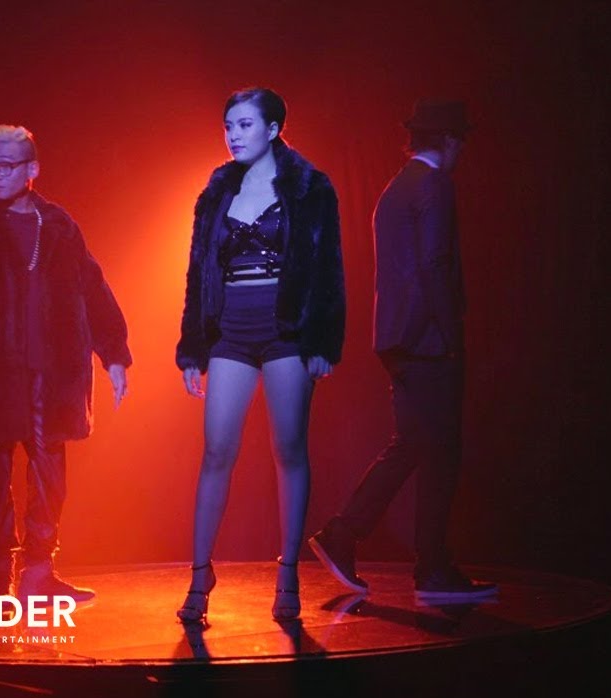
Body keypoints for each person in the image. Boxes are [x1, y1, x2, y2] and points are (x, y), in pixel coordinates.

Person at [0, 125, 132, 605]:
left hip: (52, 374)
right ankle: (1, 580)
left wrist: (114, 354)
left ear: (31, 169)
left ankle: (39, 574)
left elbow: (92, 286)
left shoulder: (58, 224)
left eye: (5, 165)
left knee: (49, 478)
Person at [308, 99, 496, 603]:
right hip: (428, 341)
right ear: (449, 140)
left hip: (396, 338)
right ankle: (431, 570)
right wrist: (452, 336)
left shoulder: (395, 189)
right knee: (441, 453)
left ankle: (346, 534)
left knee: (413, 444)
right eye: (461, 141)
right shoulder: (434, 185)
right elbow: (435, 264)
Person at [175, 88, 345, 622]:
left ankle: (288, 573)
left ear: (273, 129)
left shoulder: (310, 187)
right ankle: (199, 577)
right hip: (230, 331)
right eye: (228, 125)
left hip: (287, 331)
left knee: (288, 448)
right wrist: (192, 347)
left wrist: (323, 342)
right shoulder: (216, 191)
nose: (233, 134)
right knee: (216, 451)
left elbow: (328, 268)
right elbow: (198, 271)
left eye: (245, 124)